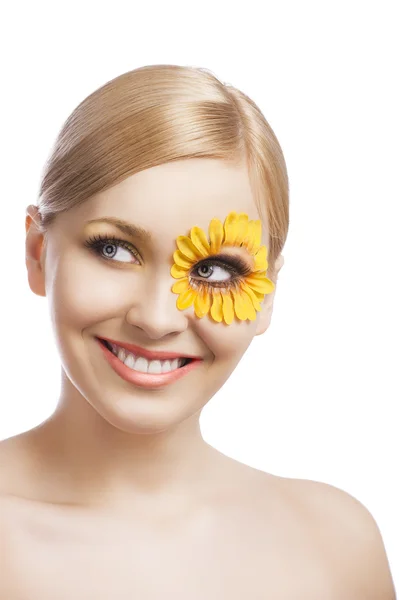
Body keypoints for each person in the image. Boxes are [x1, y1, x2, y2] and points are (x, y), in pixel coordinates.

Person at [0, 64, 395, 599]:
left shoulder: (337, 547)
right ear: (37, 252)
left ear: (268, 295)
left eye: (213, 269)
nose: (157, 318)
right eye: (114, 249)